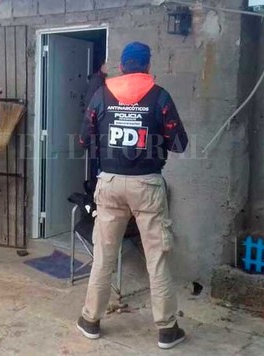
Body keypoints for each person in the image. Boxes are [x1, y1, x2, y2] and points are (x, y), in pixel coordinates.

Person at [77, 42, 189, 349]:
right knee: (157, 258)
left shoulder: (102, 95)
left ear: (123, 66)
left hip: (110, 183)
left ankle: (90, 320)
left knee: (104, 256)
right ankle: (167, 329)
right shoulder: (159, 96)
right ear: (147, 65)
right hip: (147, 186)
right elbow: (179, 143)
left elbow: (84, 140)